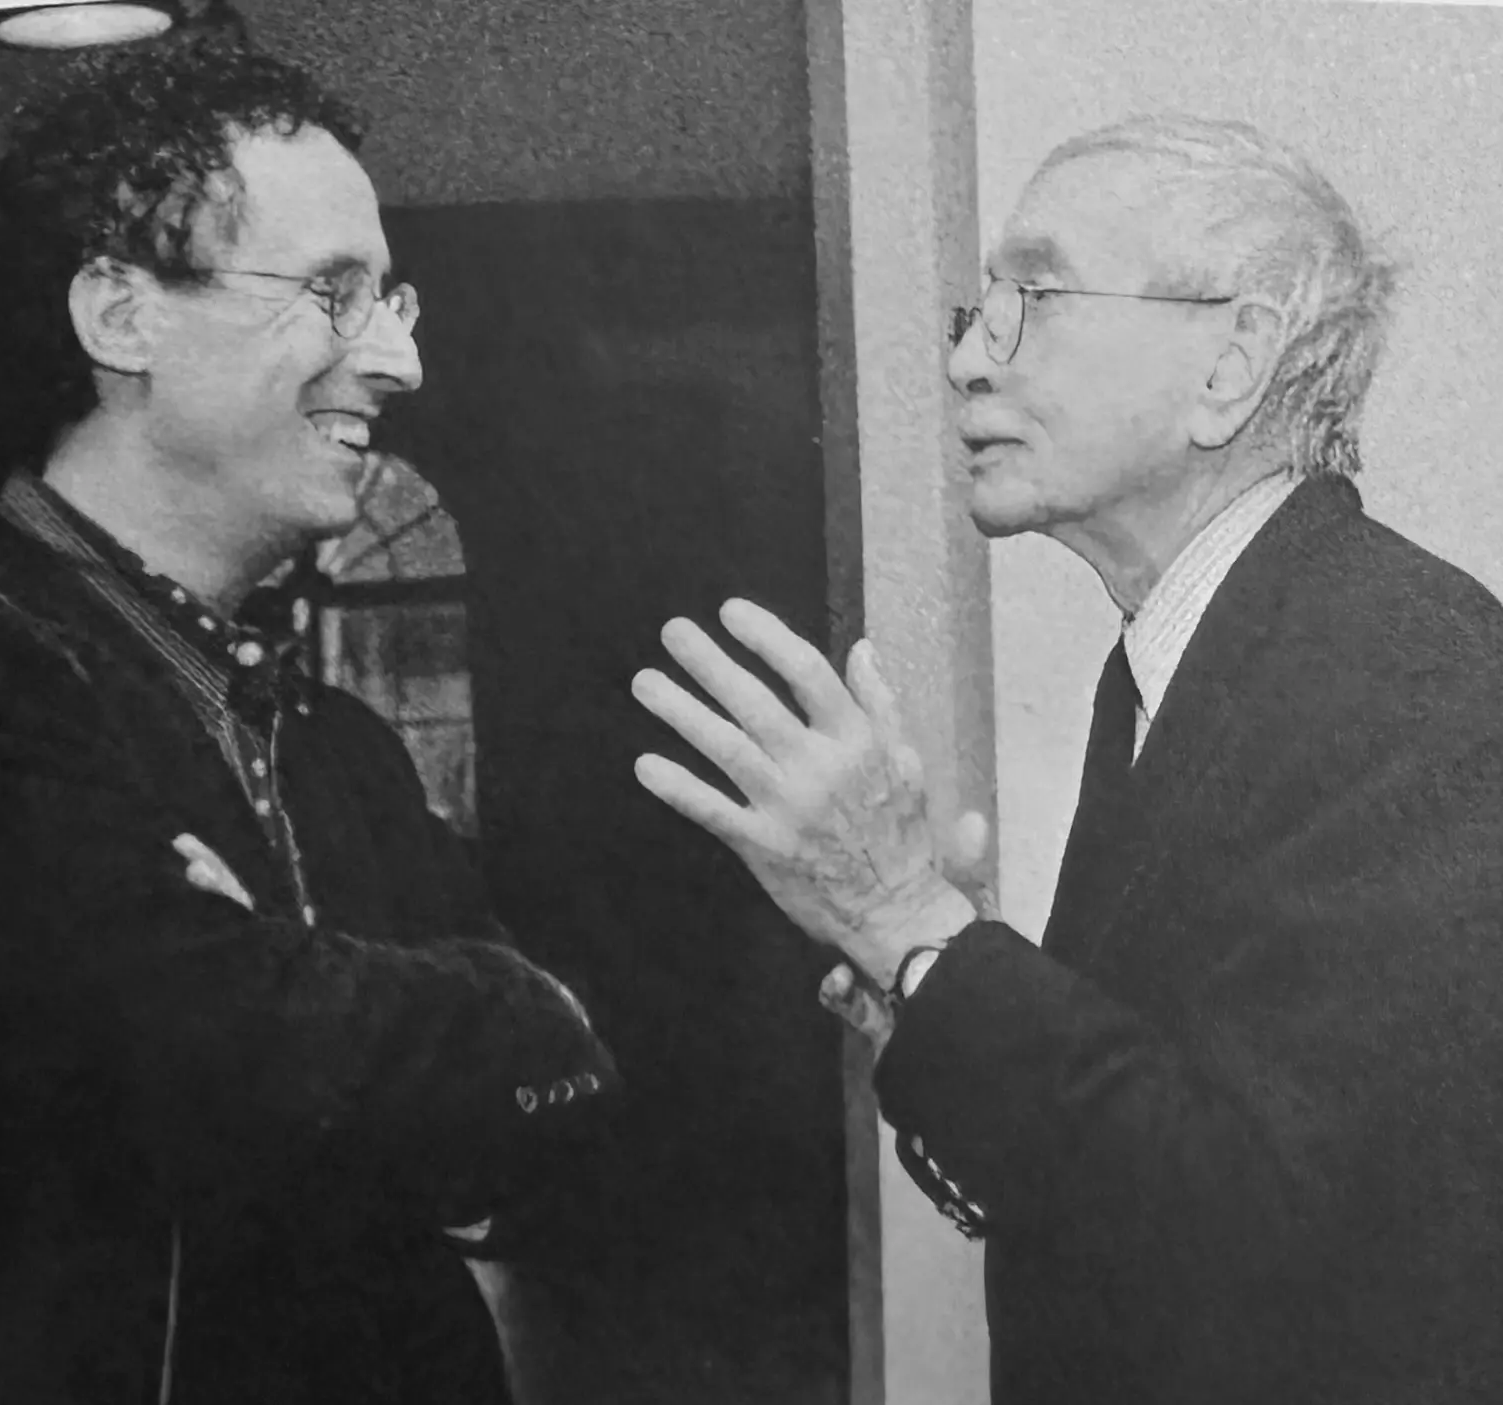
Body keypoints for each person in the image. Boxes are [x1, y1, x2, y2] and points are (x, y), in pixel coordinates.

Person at [0, 38, 616, 1405]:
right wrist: (491, 1007)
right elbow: (207, 1065)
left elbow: (534, 1120)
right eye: (335, 291)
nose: (394, 359)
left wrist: (473, 1014)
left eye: (391, 299)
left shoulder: (340, 741)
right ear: (121, 316)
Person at [630, 114, 1503, 1403]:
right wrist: (937, 992)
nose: (970, 358)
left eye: (1030, 296)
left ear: (1231, 366)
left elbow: (1283, 1241)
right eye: (976, 307)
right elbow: (1145, 1178)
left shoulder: (1417, 674)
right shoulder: (1195, 657)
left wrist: (913, 924)